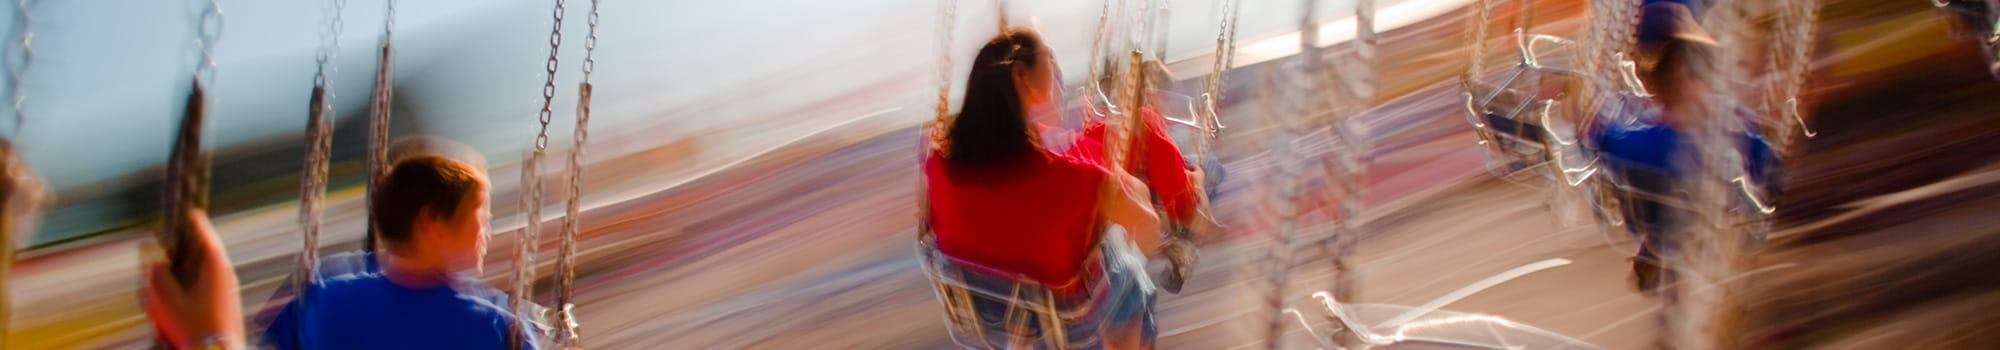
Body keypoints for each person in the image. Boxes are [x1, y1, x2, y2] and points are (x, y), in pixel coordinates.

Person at [925, 28, 1166, 349]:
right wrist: (1124, 183)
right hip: (1063, 315)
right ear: (1022, 75)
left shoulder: (939, 162)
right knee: (1128, 267)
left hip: (989, 309)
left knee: (1028, 285)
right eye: (1050, 60)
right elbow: (1148, 229)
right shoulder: (1074, 179)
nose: (1058, 71)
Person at [262, 144, 538, 349]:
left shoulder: (322, 299)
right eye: (481, 219)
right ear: (432, 224)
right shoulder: (496, 329)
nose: (486, 233)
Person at [1591, 1, 1780, 292]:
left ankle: (1660, 242)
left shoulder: (1630, 140)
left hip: (1664, 207)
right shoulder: (1731, 130)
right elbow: (1768, 161)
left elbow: (1599, 136)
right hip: (1703, 196)